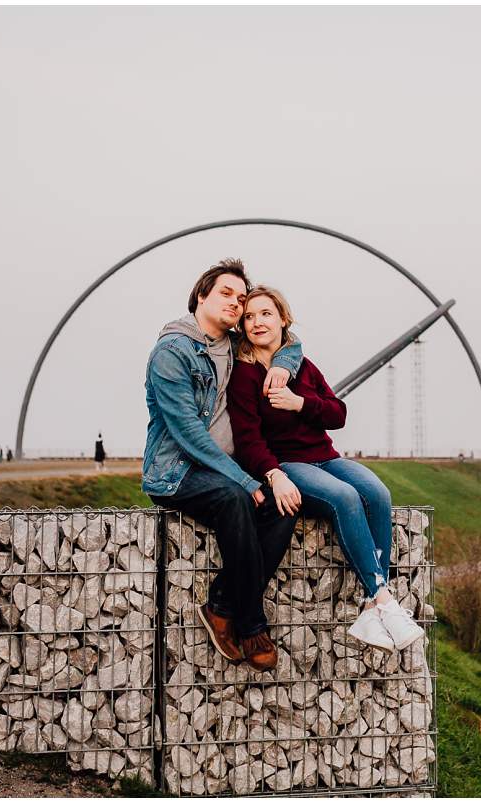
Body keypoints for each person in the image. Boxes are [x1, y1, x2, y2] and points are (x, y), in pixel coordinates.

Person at [227, 286, 425, 653]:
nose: (257, 322)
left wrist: (299, 403)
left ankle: (370, 607)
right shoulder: (244, 375)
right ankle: (381, 600)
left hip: (327, 457)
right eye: (249, 316)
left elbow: (338, 414)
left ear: (282, 319)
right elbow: (247, 440)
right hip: (287, 464)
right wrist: (274, 473)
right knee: (345, 498)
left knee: (378, 493)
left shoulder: (302, 366)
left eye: (265, 314)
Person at [143, 258, 303, 672]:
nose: (236, 303)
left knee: (282, 507)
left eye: (241, 297)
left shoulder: (235, 344)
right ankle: (251, 624)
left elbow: (290, 341)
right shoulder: (172, 352)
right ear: (201, 296)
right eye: (225, 294)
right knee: (238, 499)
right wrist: (245, 479)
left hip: (225, 470)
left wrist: (284, 366)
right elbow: (188, 435)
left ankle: (220, 606)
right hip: (176, 473)